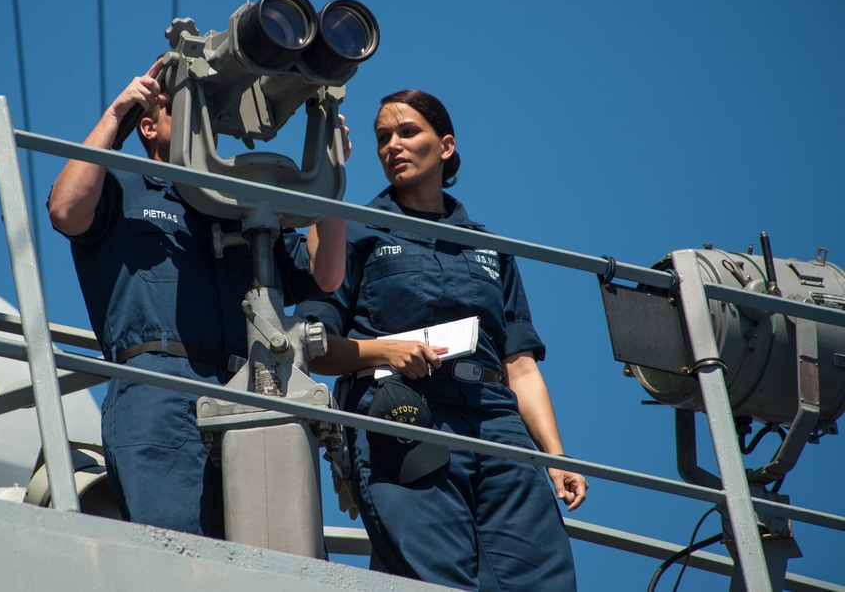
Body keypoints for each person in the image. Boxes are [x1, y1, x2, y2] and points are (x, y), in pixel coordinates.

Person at [296, 89, 587, 590]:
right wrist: (384, 350)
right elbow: (313, 346)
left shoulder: (491, 248)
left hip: (497, 420)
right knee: (437, 577)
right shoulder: (357, 232)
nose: (393, 145)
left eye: (408, 132)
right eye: (383, 137)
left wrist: (555, 458)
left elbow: (519, 365)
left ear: (446, 146)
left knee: (542, 576)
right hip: (405, 412)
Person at [48, 60, 347, 537]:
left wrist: (329, 169)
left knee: (265, 550)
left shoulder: (233, 202)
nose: (196, 118)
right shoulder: (122, 185)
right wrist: (116, 114)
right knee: (178, 550)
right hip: (157, 389)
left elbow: (326, 275)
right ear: (147, 125)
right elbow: (65, 210)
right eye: (178, 109)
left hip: (245, 387)